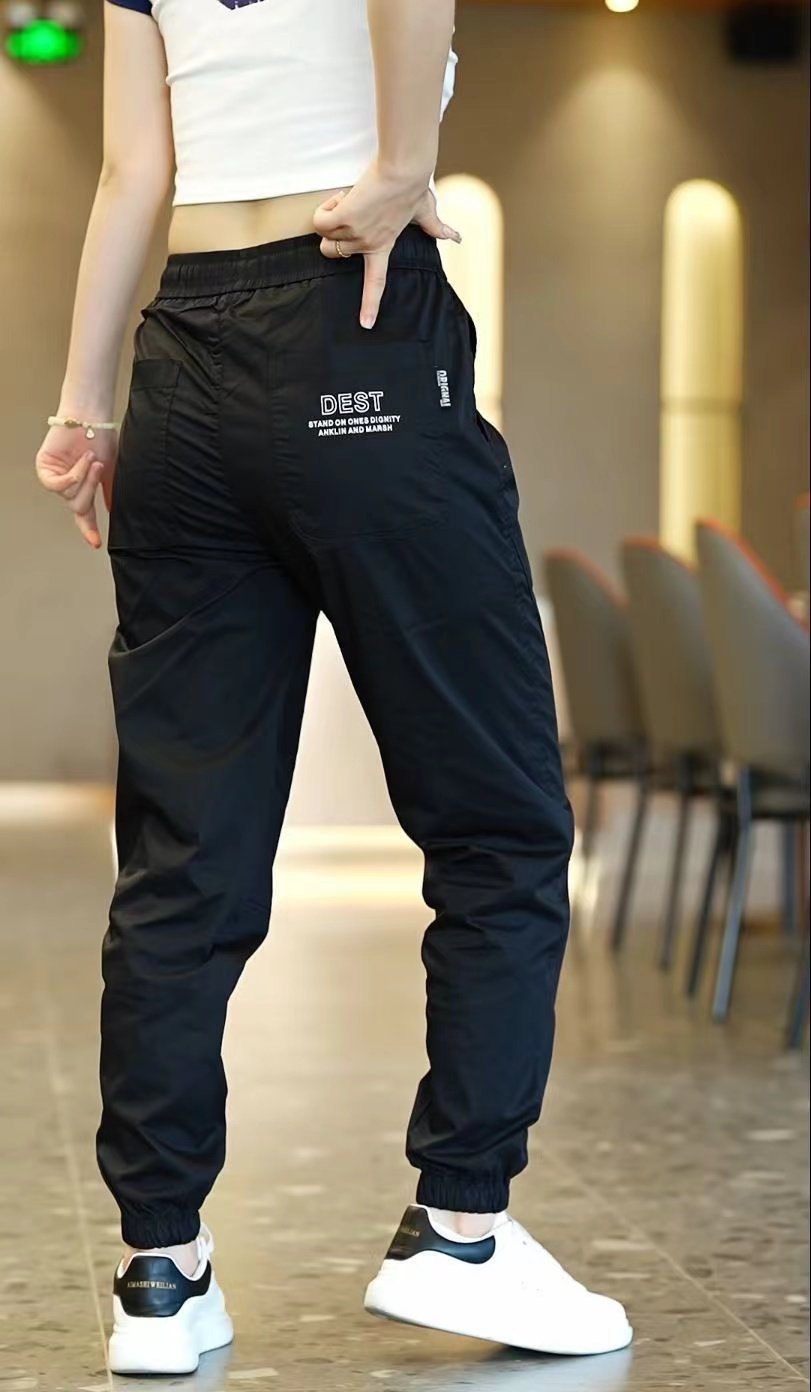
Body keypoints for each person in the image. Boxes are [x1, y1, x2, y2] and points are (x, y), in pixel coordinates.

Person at [35, 0, 632, 1377]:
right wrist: (406, 163)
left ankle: (160, 1273)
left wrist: (85, 407)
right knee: (499, 824)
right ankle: (463, 1231)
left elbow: (134, 168)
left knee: (182, 853)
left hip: (181, 359)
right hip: (353, 316)